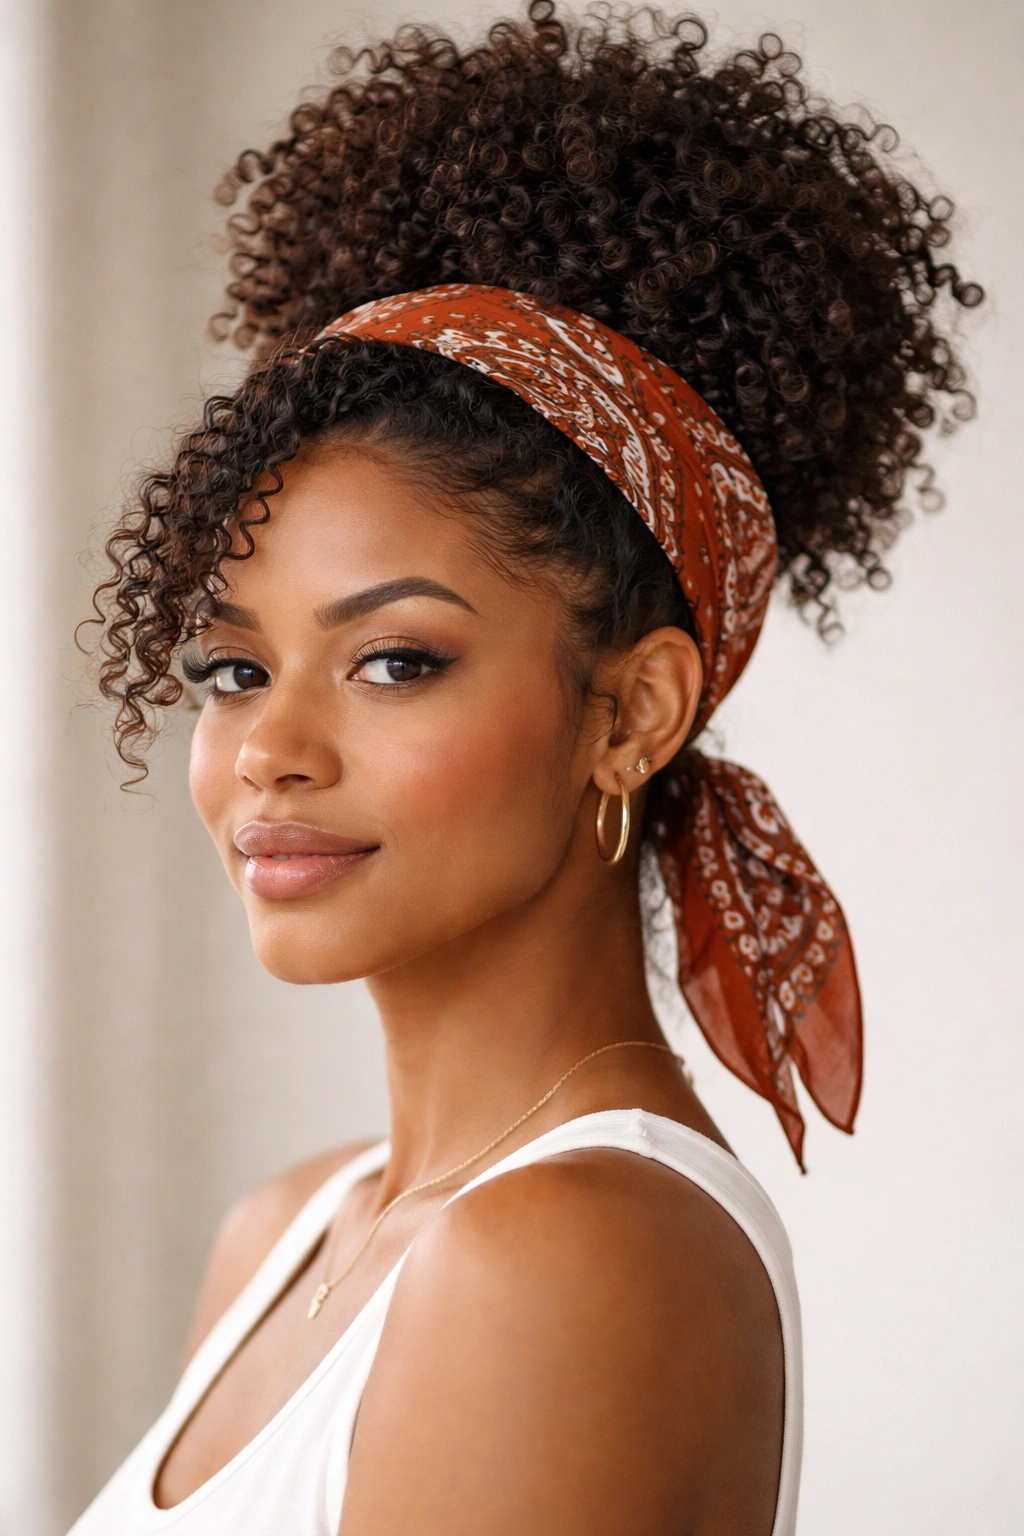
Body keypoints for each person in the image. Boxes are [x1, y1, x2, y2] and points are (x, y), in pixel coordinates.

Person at [72, 5, 980, 1533]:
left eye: (394, 660)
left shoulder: (570, 1253)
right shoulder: (288, 1231)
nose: (269, 753)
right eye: (235, 669)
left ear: (632, 713)